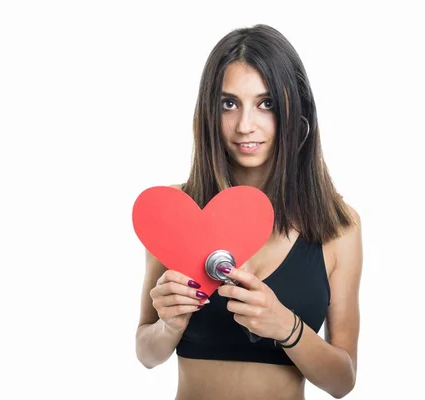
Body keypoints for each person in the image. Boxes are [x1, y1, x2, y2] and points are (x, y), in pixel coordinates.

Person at [135, 24, 363, 400]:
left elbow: (343, 381)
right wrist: (169, 326)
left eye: (266, 103)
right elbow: (146, 353)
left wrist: (287, 327)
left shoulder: (338, 226)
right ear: (210, 110)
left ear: (295, 108)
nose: (245, 125)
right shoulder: (176, 212)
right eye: (229, 103)